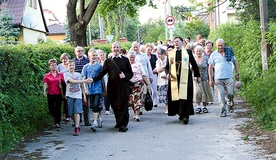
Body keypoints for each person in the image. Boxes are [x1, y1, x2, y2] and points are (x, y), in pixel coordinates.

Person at [91, 42, 133, 132]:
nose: (116, 49)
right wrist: (93, 79)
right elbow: (102, 73)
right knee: (115, 105)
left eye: (117, 47)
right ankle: (118, 121)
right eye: (114, 47)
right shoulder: (108, 61)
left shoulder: (125, 60)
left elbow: (131, 73)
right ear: (111, 49)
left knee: (123, 105)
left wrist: (125, 75)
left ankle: (123, 124)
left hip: (123, 87)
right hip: (112, 87)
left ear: (119, 48)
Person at [165, 36, 201, 125]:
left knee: (186, 96)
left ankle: (186, 115)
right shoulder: (170, 53)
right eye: (174, 42)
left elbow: (194, 64)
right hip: (174, 78)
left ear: (182, 42)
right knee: (176, 96)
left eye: (177, 41)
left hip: (185, 77)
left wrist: (197, 76)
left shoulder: (188, 52)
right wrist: (167, 74)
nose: (176, 43)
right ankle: (180, 113)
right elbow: (167, 66)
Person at [208, 39, 240, 117]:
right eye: (218, 45)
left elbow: (235, 62)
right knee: (221, 95)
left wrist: (237, 73)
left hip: (229, 77)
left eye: (221, 45)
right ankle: (223, 110)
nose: (220, 47)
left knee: (231, 93)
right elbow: (210, 67)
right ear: (216, 46)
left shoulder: (229, 52)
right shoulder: (214, 54)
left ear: (224, 45)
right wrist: (211, 79)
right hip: (218, 78)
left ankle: (230, 103)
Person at [64, 60, 92, 136]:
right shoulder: (66, 75)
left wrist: (84, 96)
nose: (72, 67)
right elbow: (72, 81)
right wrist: (85, 80)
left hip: (78, 95)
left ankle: (76, 127)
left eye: (73, 65)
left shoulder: (78, 74)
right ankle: (77, 122)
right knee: (70, 113)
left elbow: (82, 86)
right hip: (70, 95)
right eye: (70, 66)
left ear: (75, 66)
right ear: (67, 67)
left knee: (77, 111)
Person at [82, 48, 104, 132]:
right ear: (89, 56)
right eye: (93, 55)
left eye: (95, 55)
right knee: (92, 105)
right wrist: (85, 89)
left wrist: (104, 89)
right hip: (89, 89)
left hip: (97, 88)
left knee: (95, 104)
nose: (94, 57)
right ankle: (99, 118)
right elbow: (84, 78)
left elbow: (101, 78)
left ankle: (94, 122)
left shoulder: (99, 66)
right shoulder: (85, 67)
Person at [43, 59, 64, 128]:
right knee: (51, 108)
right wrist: (44, 91)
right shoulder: (47, 75)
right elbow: (45, 84)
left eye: (55, 65)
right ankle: (56, 117)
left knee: (58, 107)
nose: (54, 66)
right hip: (51, 93)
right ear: (49, 66)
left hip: (58, 93)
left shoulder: (60, 74)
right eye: (52, 65)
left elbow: (64, 83)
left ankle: (57, 122)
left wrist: (62, 86)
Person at [193, 45, 214, 113]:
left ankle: (204, 107)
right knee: (197, 92)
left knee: (204, 92)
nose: (198, 52)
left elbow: (209, 68)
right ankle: (198, 106)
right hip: (195, 79)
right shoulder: (193, 59)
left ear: (202, 51)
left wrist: (211, 77)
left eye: (200, 51)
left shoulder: (205, 58)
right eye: (197, 51)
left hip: (204, 78)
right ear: (195, 52)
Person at [128, 51, 148, 121]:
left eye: (133, 57)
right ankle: (134, 113)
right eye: (130, 57)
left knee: (137, 98)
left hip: (138, 83)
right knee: (131, 100)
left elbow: (143, 75)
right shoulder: (127, 65)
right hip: (129, 85)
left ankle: (137, 115)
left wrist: (147, 84)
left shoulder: (139, 65)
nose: (131, 59)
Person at [73, 46, 90, 126]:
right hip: (75, 85)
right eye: (78, 51)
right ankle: (78, 119)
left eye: (82, 50)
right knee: (77, 103)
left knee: (86, 102)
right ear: (75, 53)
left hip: (85, 84)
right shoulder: (73, 61)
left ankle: (87, 120)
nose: (80, 52)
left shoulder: (87, 61)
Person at [57, 53, 70, 122]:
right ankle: (65, 114)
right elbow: (57, 74)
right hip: (61, 84)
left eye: (66, 59)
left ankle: (68, 115)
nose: (64, 60)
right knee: (62, 99)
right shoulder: (59, 66)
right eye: (63, 59)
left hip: (69, 84)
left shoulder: (69, 65)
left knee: (67, 100)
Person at [98, 50, 111, 115]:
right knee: (105, 94)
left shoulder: (108, 61)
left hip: (109, 79)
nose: (102, 56)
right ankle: (106, 108)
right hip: (103, 80)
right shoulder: (98, 64)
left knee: (110, 94)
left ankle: (110, 108)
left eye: (103, 54)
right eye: (101, 55)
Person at [155, 48, 168, 114]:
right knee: (164, 95)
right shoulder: (158, 61)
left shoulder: (168, 59)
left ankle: (170, 108)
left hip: (168, 79)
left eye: (160, 54)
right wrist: (164, 67)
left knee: (168, 94)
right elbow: (157, 70)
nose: (159, 56)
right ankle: (167, 108)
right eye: (158, 54)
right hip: (161, 79)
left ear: (164, 54)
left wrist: (162, 68)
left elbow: (169, 68)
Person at [145, 43, 158, 108]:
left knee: (154, 90)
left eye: (150, 50)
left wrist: (155, 70)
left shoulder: (154, 56)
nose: (149, 51)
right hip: (146, 74)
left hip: (154, 74)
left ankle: (154, 101)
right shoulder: (144, 56)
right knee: (148, 89)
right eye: (148, 49)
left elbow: (157, 64)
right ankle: (148, 101)